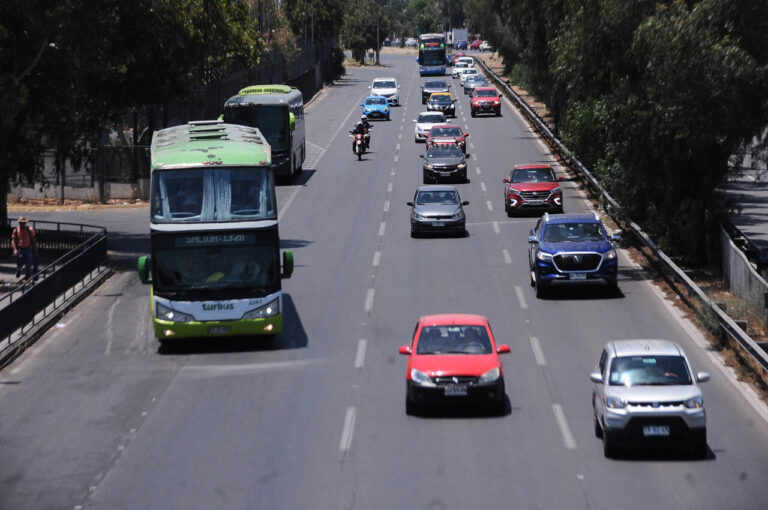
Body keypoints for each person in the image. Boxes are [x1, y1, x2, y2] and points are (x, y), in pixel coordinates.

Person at [11, 216, 39, 282]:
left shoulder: (29, 229)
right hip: (20, 249)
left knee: (28, 264)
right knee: (19, 263)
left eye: (23, 223)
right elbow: (13, 240)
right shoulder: (16, 230)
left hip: (28, 249)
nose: (22, 224)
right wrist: (15, 249)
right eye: (21, 223)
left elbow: (33, 240)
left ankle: (27, 277)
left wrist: (35, 250)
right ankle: (19, 270)